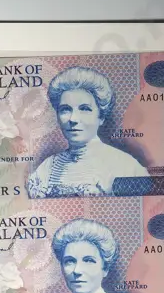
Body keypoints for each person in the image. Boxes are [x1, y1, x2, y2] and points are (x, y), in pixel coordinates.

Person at [26, 66, 149, 198]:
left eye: (84, 109)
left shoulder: (126, 166)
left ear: (101, 116)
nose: (73, 119)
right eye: (65, 109)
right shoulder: (47, 168)